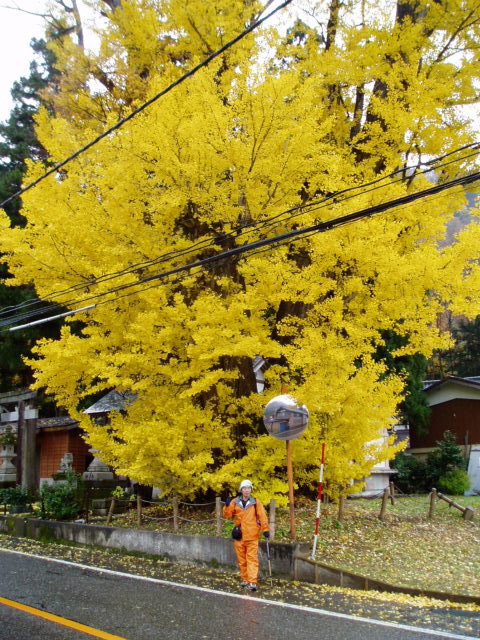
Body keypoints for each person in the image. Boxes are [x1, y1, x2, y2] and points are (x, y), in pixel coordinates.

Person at [223, 479, 270, 592]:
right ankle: (245, 579)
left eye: (248, 488)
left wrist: (266, 530)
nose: (246, 490)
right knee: (242, 560)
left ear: (251, 490)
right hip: (239, 536)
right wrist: (227, 506)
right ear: (241, 490)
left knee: (252, 560)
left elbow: (262, 516)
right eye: (244, 488)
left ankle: (252, 582)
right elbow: (228, 516)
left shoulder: (256, 503)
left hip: (252, 536)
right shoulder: (235, 502)